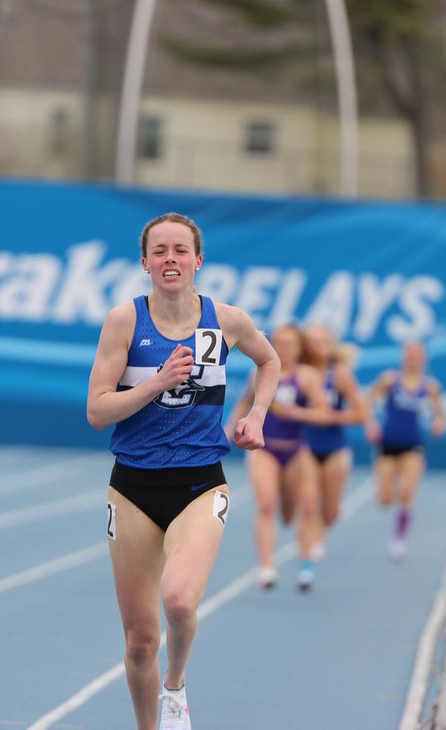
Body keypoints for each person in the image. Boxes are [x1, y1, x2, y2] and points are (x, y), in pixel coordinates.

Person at [86, 213, 279, 730]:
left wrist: (257, 415)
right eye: (160, 251)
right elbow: (97, 411)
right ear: (144, 262)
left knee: (177, 600)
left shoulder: (227, 320)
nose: (170, 259)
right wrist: (155, 383)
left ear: (198, 260)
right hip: (133, 487)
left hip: (199, 483)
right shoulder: (125, 321)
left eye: (180, 250)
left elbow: (270, 362)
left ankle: (175, 686)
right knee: (140, 641)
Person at [227, 324, 327, 591]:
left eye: (290, 344)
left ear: (300, 348)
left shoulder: (307, 376)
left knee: (303, 508)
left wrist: (297, 413)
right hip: (265, 448)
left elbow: (324, 413)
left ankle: (306, 562)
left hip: (295, 450)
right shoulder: (259, 372)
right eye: (279, 343)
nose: (284, 348)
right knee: (266, 505)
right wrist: (229, 429)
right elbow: (244, 401)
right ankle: (267, 567)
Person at [364, 340, 446, 562]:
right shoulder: (390, 379)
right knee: (385, 499)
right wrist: (370, 424)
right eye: (409, 353)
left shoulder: (430, 386)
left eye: (416, 354)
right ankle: (392, 494)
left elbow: (441, 415)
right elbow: (367, 401)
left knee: (408, 493)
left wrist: (439, 423)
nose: (412, 357)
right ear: (403, 357)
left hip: (413, 446)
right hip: (388, 444)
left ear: (423, 359)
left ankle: (399, 540)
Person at [300, 328, 367, 564]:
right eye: (314, 342)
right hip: (305, 447)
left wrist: (331, 417)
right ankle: (307, 559)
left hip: (335, 448)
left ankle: (328, 517)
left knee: (329, 511)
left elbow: (361, 413)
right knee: (308, 504)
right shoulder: (300, 373)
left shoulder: (339, 375)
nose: (319, 346)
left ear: (332, 346)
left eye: (324, 342)